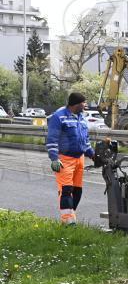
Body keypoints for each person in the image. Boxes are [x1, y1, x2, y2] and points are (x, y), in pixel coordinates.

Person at [46, 92, 95, 225]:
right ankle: (68, 222)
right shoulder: (58, 116)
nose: (85, 105)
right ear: (76, 104)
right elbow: (52, 139)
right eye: (83, 102)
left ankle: (69, 216)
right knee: (66, 190)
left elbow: (85, 140)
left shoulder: (81, 117)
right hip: (64, 159)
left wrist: (92, 155)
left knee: (77, 191)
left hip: (80, 159)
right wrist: (54, 158)